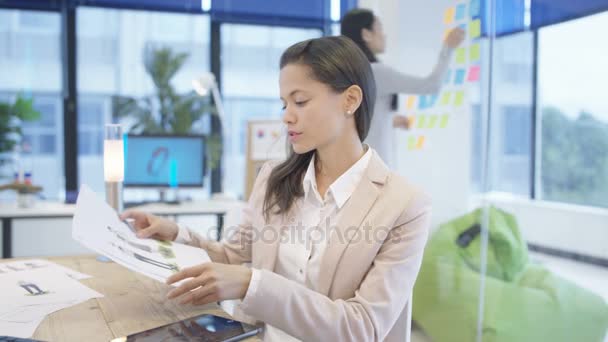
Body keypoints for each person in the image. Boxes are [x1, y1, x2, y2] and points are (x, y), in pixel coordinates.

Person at [121, 36, 431, 342]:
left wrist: (254, 285)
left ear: (350, 100)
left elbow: (361, 328)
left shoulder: (404, 205)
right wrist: (174, 234)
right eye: (284, 103)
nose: (286, 116)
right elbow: (231, 255)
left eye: (300, 101)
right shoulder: (275, 179)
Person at [341, 8, 465, 168]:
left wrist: (391, 120)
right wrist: (448, 47)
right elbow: (431, 85)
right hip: (375, 166)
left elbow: (359, 118)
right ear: (366, 34)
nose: (384, 35)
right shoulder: (377, 72)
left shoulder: (352, 72)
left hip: (359, 163)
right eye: (380, 28)